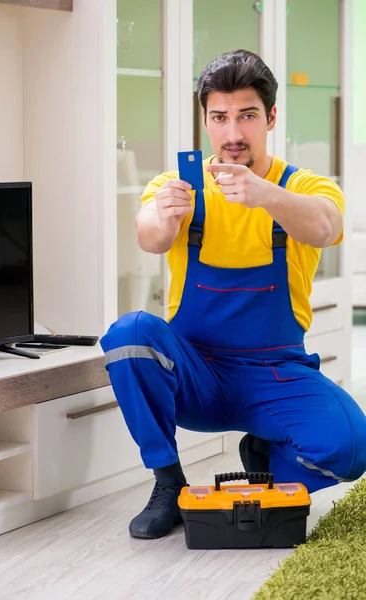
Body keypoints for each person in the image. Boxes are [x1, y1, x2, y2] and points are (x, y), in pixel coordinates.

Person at [100, 49, 366, 540]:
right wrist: (164, 214)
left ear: (270, 117)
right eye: (219, 118)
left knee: (351, 445)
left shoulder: (303, 187)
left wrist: (265, 195)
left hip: (276, 375)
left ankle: (263, 454)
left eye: (246, 116)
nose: (233, 134)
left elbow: (327, 227)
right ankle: (167, 482)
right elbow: (149, 238)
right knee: (129, 334)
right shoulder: (178, 186)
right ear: (205, 120)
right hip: (196, 374)